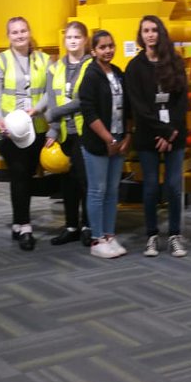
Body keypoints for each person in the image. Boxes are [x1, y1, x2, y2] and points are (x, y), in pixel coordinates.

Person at [125, 15, 189, 258]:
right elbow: (139, 107)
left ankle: (174, 235)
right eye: (145, 31)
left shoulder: (174, 61)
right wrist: (163, 131)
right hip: (148, 135)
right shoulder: (135, 67)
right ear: (140, 35)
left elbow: (181, 100)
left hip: (174, 134)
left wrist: (171, 131)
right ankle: (152, 236)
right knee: (150, 187)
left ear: (161, 33)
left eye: (154, 30)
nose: (150, 34)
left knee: (173, 186)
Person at [0, 16, 51, 250]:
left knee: (24, 175)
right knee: (20, 171)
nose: (20, 35)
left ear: (29, 32)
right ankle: (25, 226)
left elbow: (48, 91)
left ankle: (17, 222)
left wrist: (38, 109)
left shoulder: (43, 60)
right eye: (14, 32)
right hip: (6, 130)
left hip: (35, 127)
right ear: (8, 36)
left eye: (23, 30)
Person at [78, 29, 131, 258]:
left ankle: (110, 235)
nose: (108, 50)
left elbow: (127, 106)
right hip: (97, 144)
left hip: (119, 142)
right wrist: (108, 138)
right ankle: (97, 239)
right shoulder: (90, 75)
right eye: (102, 47)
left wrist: (127, 135)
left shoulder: (118, 73)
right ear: (93, 51)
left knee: (112, 191)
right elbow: (88, 112)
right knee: (97, 191)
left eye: (111, 46)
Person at [44, 21, 92, 245]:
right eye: (69, 37)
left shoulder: (92, 65)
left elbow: (85, 101)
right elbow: (52, 98)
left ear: (84, 40)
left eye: (77, 37)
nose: (72, 41)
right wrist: (53, 129)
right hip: (64, 134)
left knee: (86, 181)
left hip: (85, 133)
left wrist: (54, 113)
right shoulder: (55, 68)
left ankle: (88, 226)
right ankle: (71, 226)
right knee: (68, 183)